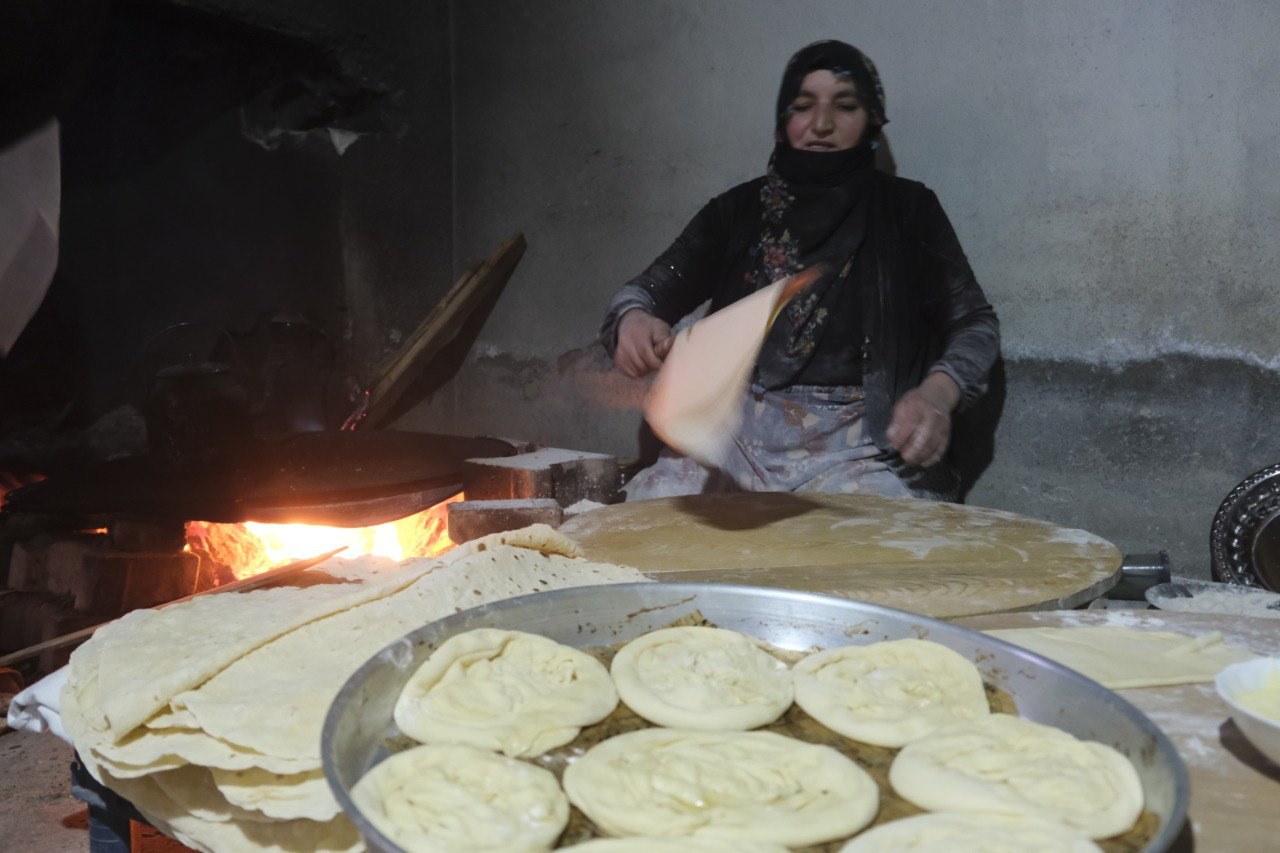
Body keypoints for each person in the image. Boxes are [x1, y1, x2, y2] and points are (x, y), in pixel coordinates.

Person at [600, 39, 1000, 502]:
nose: (822, 124)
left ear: (872, 119)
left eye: (845, 106)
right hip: (731, 443)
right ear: (781, 122)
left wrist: (937, 394)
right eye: (803, 106)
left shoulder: (907, 211)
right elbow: (642, 294)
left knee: (876, 559)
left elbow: (974, 322)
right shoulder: (738, 212)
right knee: (645, 535)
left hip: (857, 453)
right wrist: (634, 320)